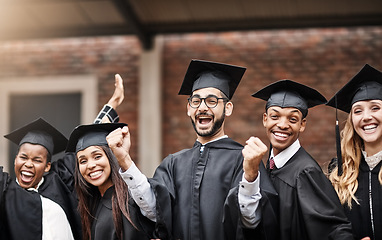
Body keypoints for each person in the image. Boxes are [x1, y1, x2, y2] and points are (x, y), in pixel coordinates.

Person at [106, 59, 279, 240]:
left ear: (227, 108)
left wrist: (250, 176)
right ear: (189, 108)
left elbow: (252, 222)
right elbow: (154, 212)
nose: (202, 107)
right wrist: (124, 160)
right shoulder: (173, 163)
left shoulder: (243, 161)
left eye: (212, 101)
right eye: (196, 101)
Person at [0, 74, 125, 240]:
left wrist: (113, 103)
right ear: (15, 159)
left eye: (37, 160)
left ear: (47, 166)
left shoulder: (58, 180)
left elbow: (86, 145)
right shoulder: (5, 190)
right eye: (24, 157)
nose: (28, 164)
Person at [251, 79, 354, 240]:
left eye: (292, 119)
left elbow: (331, 227)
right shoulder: (271, 164)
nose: (283, 125)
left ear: (302, 124)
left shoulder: (305, 172)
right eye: (275, 116)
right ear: (265, 119)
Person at [65, 123, 153, 240]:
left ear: (110, 157)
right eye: (83, 161)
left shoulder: (132, 201)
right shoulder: (89, 204)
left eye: (97, 156)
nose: (90, 165)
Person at [327, 64, 382, 240]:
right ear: (352, 120)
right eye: (358, 111)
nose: (366, 117)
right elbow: (332, 225)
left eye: (375, 108)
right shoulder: (340, 171)